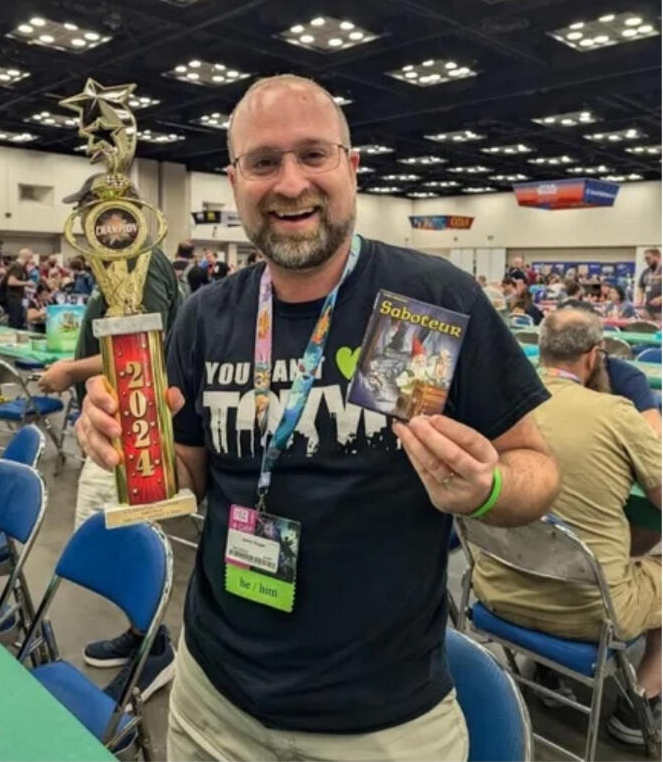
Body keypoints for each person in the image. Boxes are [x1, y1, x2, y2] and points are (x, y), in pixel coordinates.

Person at [77, 74, 560, 762]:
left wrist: (486, 488)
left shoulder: (426, 301)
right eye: (263, 162)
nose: (290, 182)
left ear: (351, 167)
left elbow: (537, 469)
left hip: (382, 725)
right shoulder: (208, 315)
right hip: (212, 701)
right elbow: (192, 473)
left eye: (313, 154)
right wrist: (130, 445)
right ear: (234, 180)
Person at [472, 308, 661, 746]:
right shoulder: (616, 413)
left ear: (541, 348)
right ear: (594, 356)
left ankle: (546, 671)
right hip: (590, 614)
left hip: (496, 592)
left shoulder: (492, 402)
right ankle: (643, 703)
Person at [37, 181, 183, 705]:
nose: (87, 222)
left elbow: (149, 345)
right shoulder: (115, 261)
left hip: (136, 427)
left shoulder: (143, 259)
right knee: (115, 534)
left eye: (91, 210)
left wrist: (69, 371)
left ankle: (154, 648)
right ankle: (142, 633)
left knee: (124, 537)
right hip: (114, 423)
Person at [0, 248, 34, 328]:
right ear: (27, 257)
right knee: (16, 321)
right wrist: (27, 283)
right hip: (13, 298)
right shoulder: (17, 266)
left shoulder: (19, 267)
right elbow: (11, 282)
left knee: (20, 319)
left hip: (17, 297)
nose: (31, 260)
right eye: (30, 257)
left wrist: (26, 287)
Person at [637, 248, 662, 322]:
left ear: (657, 257)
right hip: (648, 310)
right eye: (645, 259)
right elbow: (641, 288)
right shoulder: (645, 272)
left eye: (648, 258)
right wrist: (640, 300)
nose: (646, 261)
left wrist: (661, 299)